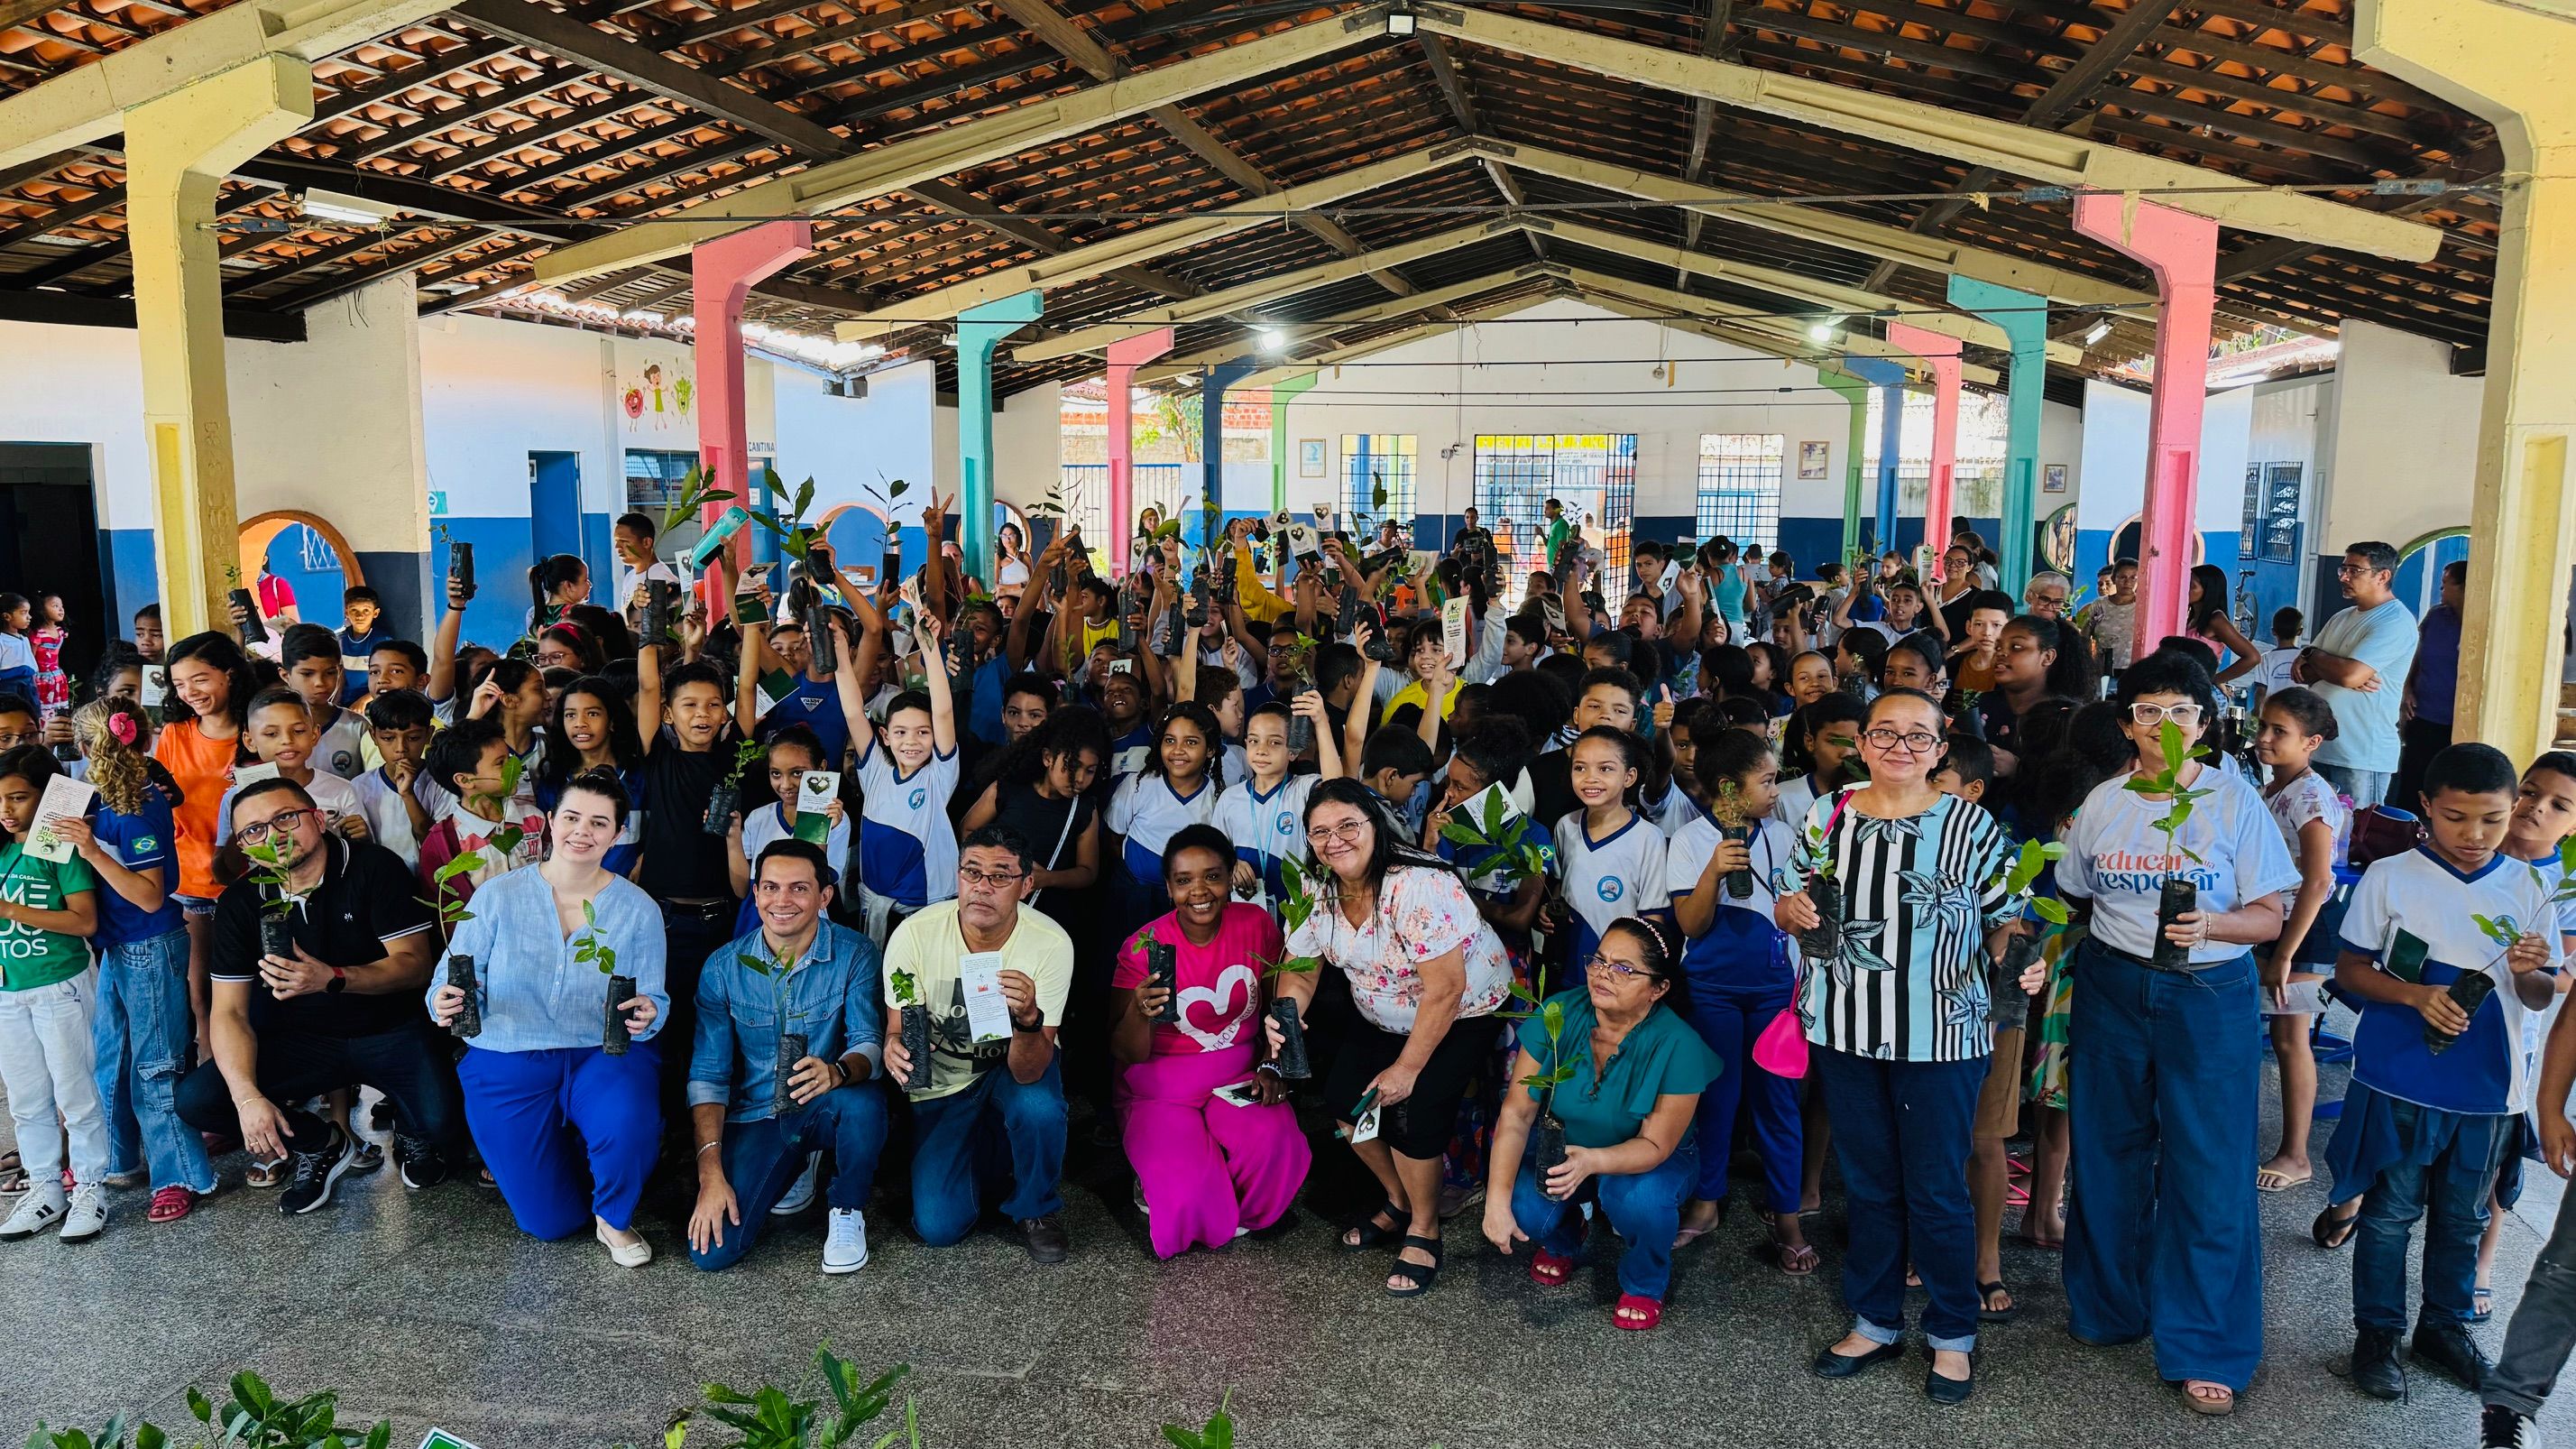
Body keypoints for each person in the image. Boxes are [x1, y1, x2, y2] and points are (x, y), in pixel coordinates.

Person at [2054, 651, 2300, 1416]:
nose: (2165, 726)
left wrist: (2215, 925)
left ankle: (2207, 1344)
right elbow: (2076, 898)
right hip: (2113, 987)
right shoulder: (2105, 802)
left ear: (2204, 724)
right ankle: (2109, 1308)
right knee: (2107, 1150)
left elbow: (2270, 913)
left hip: (2208, 992)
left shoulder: (2234, 804)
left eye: (2181, 712)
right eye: (2149, 712)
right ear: (2128, 723)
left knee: (2208, 1167)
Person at [1778, 690, 2029, 1405]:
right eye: (1885, 732)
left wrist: (2022, 958)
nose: (1900, 747)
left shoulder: (1969, 828)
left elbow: (2008, 920)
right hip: (1845, 1027)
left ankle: (1953, 1333)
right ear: (1862, 742)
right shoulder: (1829, 816)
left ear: (1941, 747)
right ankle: (1876, 1318)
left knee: (1936, 1187)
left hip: (1941, 1033)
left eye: (1917, 736)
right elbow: (1790, 901)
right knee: (1870, 1182)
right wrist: (1788, 910)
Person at [2317, 743, 2561, 1407]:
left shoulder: (2532, 887)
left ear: (2513, 812)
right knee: (2391, 1213)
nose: (2476, 836)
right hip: (2400, 1076)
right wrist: (2415, 996)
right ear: (2426, 808)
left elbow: (2539, 997)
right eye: (2456, 818)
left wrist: (2529, 971)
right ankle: (2376, 1333)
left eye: (2492, 819)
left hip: (2489, 1087)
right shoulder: (2392, 876)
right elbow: (2351, 971)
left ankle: (2442, 1329)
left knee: (2460, 1218)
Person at [1272, 779, 1512, 1297]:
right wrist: (1286, 1014)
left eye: (1348, 826)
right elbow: (1302, 963)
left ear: (1373, 825)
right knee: (1343, 1102)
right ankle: (1398, 1198)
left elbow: (1447, 990)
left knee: (1415, 1112)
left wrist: (1406, 1069)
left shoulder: (1415, 884)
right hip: (1382, 1012)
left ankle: (1425, 1226)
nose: (1335, 841)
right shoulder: (1316, 885)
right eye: (1321, 833)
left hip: (1462, 1011)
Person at [174, 780, 462, 1212]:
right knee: (201, 1099)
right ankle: (321, 1142)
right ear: (245, 848)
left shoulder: (374, 867)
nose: (272, 835)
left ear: (318, 818)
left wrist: (332, 977)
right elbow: (229, 1011)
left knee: (446, 1129)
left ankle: (412, 1127)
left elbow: (415, 965)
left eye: (284, 818)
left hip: (391, 1029)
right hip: (300, 1039)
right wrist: (248, 1097)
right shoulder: (242, 901)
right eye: (253, 831)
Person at [428, 771, 667, 1261]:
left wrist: (648, 1013)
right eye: (573, 817)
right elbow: (445, 980)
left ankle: (613, 1217)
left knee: (629, 1119)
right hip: (507, 1054)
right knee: (549, 1225)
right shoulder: (497, 896)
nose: (583, 831)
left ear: (617, 834)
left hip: (600, 1052)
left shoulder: (637, 909)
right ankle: (577, 1170)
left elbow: (654, 998)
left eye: (599, 823)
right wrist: (443, 1001)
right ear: (551, 822)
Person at [1484, 914, 1717, 1331]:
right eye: (1599, 960)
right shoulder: (1558, 1012)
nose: (1602, 974)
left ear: (1659, 988)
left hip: (1647, 1159)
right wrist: (1495, 1202)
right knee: (1524, 1207)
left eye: (1624, 969)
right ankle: (1566, 1231)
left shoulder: (1679, 1045)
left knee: (1639, 1201)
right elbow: (1518, 1112)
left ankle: (1645, 1281)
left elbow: (1655, 1147)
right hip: (1566, 1144)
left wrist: (1591, 1162)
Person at [685, 839, 890, 1275]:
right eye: (770, 887)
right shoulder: (723, 968)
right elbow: (708, 1075)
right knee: (711, 1255)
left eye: (799, 888)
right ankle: (794, 1158)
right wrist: (710, 1173)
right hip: (756, 1113)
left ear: (825, 896)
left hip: (824, 1102)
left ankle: (847, 1210)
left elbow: (870, 1044)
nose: (782, 900)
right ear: (756, 893)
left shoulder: (855, 953)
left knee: (864, 1101)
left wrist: (837, 1072)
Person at [879, 824, 1075, 1262]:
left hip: (1013, 1069)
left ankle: (1036, 1208)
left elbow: (1030, 1070)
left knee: (1039, 1107)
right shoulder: (915, 934)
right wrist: (895, 1046)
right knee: (939, 1228)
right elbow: (898, 1025)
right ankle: (990, 1155)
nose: (982, 887)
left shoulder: (1050, 944)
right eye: (972, 872)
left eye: (1001, 876)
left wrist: (1028, 1019)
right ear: (958, 877)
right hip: (944, 1081)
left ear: (1026, 886)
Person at [1110, 826, 1306, 1258]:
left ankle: (1228, 1187)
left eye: (1213, 876)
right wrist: (1140, 1012)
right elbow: (1125, 1051)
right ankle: (1170, 1173)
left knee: (1275, 1144)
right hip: (1161, 1088)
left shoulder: (1254, 923)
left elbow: (1282, 998)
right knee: (1185, 1201)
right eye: (1184, 880)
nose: (1199, 891)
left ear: (1230, 877)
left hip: (1236, 1077)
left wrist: (1274, 1064)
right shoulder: (1144, 945)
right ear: (1168, 888)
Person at [62, 697, 216, 1223]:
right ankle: (115, 1158)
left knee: (156, 1066)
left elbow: (150, 896)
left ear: (85, 748)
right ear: (145, 739)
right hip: (117, 946)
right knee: (113, 1058)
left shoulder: (138, 806)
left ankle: (178, 1174)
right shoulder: (97, 802)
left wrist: (93, 850)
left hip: (151, 944)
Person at [1665, 728, 1806, 1269]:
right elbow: (1690, 925)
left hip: (1775, 992)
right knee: (1716, 1100)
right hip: (1712, 991)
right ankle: (1707, 1202)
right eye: (1766, 780)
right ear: (1728, 787)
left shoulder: (1787, 834)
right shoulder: (1690, 840)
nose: (1776, 789)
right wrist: (1712, 873)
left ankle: (1786, 1211)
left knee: (1778, 1101)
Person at [0, 746, 106, 1241]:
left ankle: (90, 1185)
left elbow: (84, 921)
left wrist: (10, 911)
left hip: (59, 984)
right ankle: (45, 1186)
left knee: (76, 1093)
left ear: (45, 798)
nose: (6, 809)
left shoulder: (55, 848)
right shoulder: (0, 850)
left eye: (18, 797)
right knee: (26, 1099)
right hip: (8, 991)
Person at [2251, 688, 2349, 1197]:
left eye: (2279, 732)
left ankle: (2297, 1154)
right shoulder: (2275, 788)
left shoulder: (2311, 797)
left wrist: (2287, 953)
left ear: (2311, 742)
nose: (2264, 737)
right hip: (2276, 923)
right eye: (2263, 725)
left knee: (2292, 1039)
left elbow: (2317, 880)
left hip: (2306, 929)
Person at [2297, 541, 2418, 809]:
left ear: (2383, 576)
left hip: (2361, 755)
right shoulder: (2341, 617)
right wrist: (2314, 658)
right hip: (2321, 747)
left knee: (2354, 839)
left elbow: (2350, 676)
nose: (2344, 576)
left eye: (2355, 570)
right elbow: (2303, 673)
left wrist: (2318, 659)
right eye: (2343, 568)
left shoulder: (2394, 621)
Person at [2395, 558, 2467, 813]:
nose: (2441, 590)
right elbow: (2415, 655)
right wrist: (2407, 689)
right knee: (2414, 777)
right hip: (2425, 712)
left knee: (2450, 782)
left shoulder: (2479, 623)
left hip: (2459, 722)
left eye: (2446, 584)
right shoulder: (2436, 617)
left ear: (2463, 587)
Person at [2081, 558, 2140, 675]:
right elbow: (2085, 636)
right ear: (2114, 579)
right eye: (2123, 577)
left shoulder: (2143, 606)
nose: (2128, 582)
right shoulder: (2100, 605)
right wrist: (2086, 663)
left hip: (2134, 670)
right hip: (2102, 669)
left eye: (2133, 578)